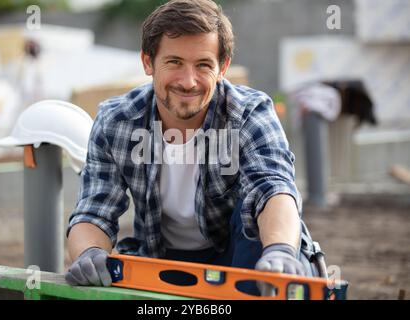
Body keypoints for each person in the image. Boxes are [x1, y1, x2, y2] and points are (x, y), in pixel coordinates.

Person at [65, 0, 309, 295]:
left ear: (223, 68)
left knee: (256, 222)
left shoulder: (249, 114)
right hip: (161, 258)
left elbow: (274, 189)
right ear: (147, 62)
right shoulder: (117, 121)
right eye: (174, 62)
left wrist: (281, 250)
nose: (188, 81)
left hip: (240, 257)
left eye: (203, 65)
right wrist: (88, 253)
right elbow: (94, 212)